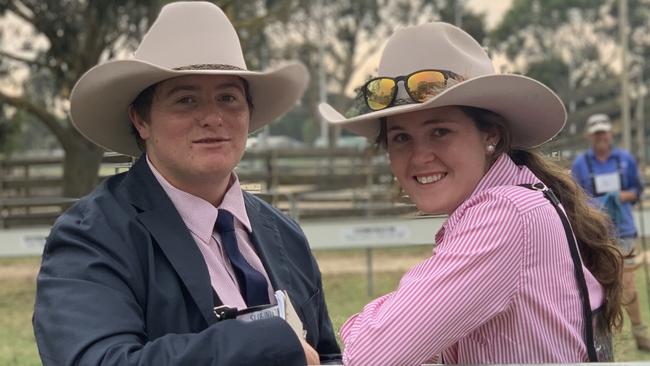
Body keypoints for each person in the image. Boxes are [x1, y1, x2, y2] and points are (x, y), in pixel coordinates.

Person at [32, 2, 340, 365]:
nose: (212, 117)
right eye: (186, 100)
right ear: (141, 120)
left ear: (249, 114)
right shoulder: (94, 236)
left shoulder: (285, 235)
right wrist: (268, 342)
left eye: (228, 98)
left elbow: (326, 356)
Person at [318, 22, 623, 365]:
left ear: (490, 135)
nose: (420, 157)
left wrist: (363, 324)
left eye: (440, 131)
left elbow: (371, 356)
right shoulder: (521, 200)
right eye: (401, 137)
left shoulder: (504, 215)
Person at [571, 113, 650, 351]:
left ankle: (639, 332)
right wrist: (600, 203)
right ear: (589, 136)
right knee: (596, 285)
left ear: (610, 133)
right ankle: (599, 337)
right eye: (596, 133)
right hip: (594, 232)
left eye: (603, 132)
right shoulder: (580, 164)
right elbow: (575, 197)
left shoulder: (625, 159)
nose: (601, 137)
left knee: (627, 283)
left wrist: (622, 196)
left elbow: (636, 190)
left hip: (624, 230)